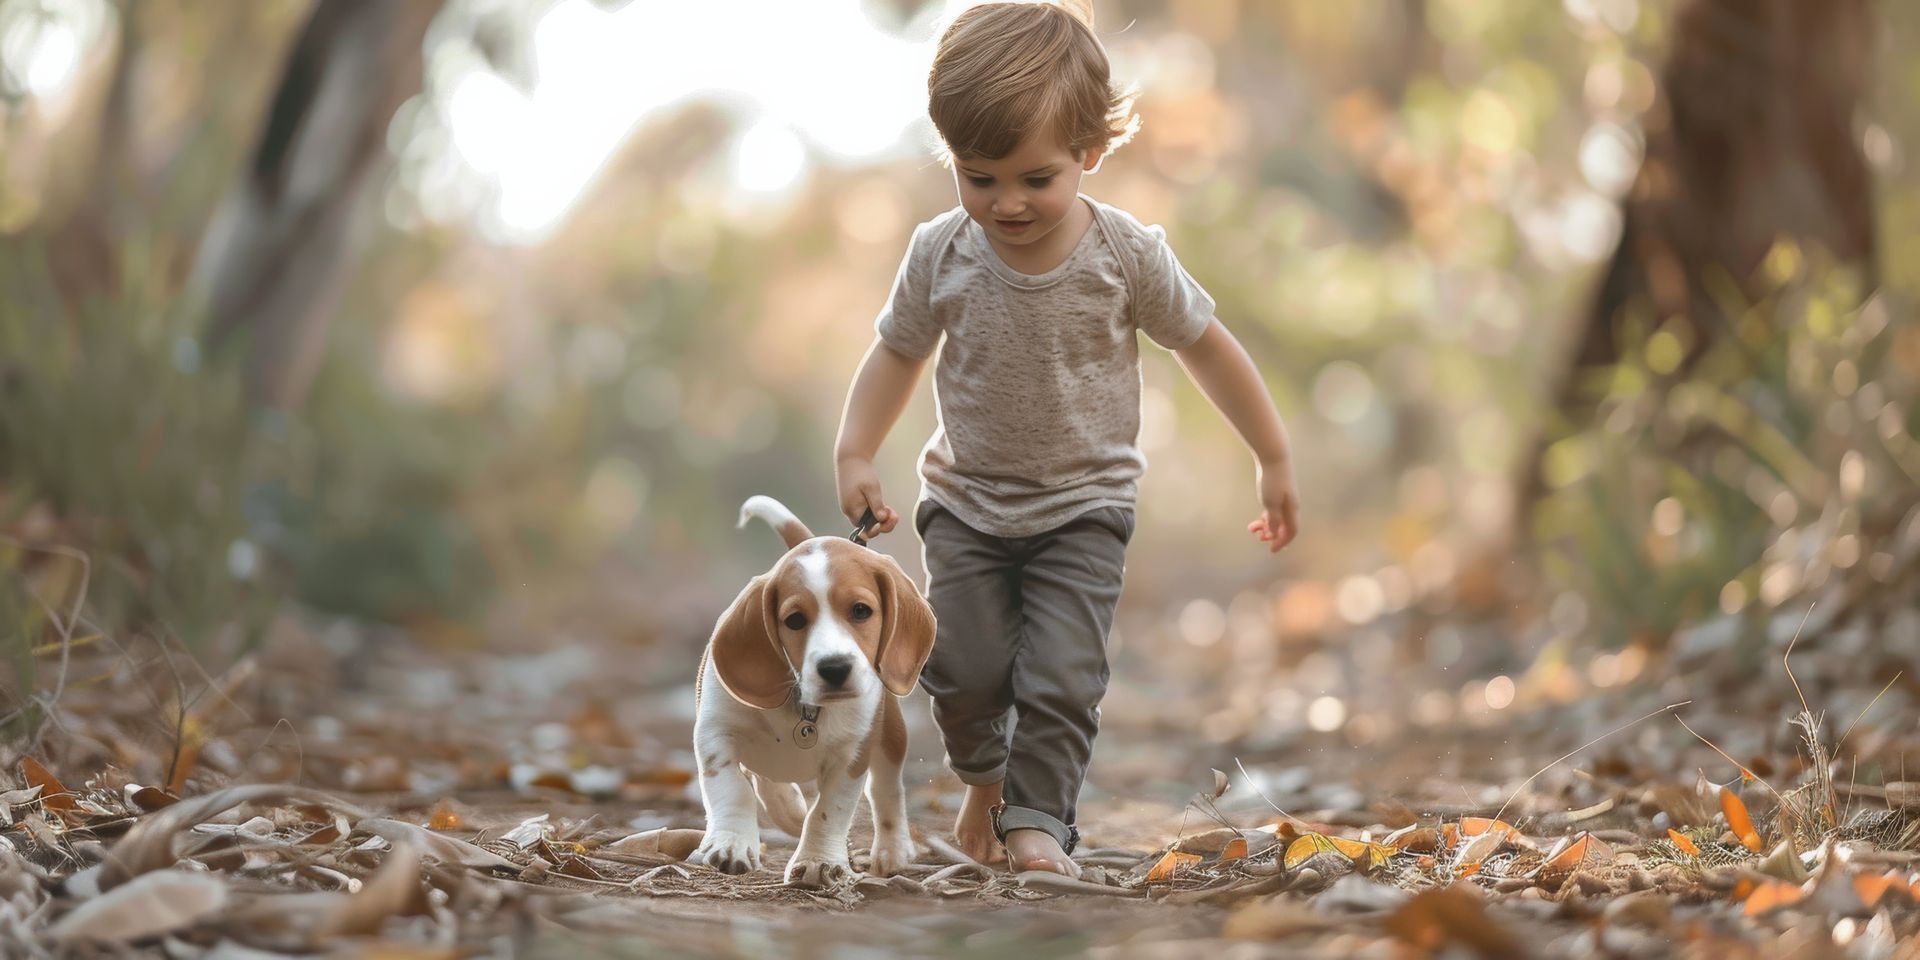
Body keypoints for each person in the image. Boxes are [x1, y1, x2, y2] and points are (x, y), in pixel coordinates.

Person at [832, 0, 1299, 877]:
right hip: (965, 505)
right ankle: (984, 778)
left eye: (1035, 179)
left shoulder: (1125, 255)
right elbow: (896, 352)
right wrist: (857, 451)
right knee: (959, 668)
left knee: (1062, 678)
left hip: (1086, 507)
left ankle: (1039, 820)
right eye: (979, 176)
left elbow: (1207, 345)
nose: (1005, 203)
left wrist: (1270, 456)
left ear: (1089, 152)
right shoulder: (941, 252)